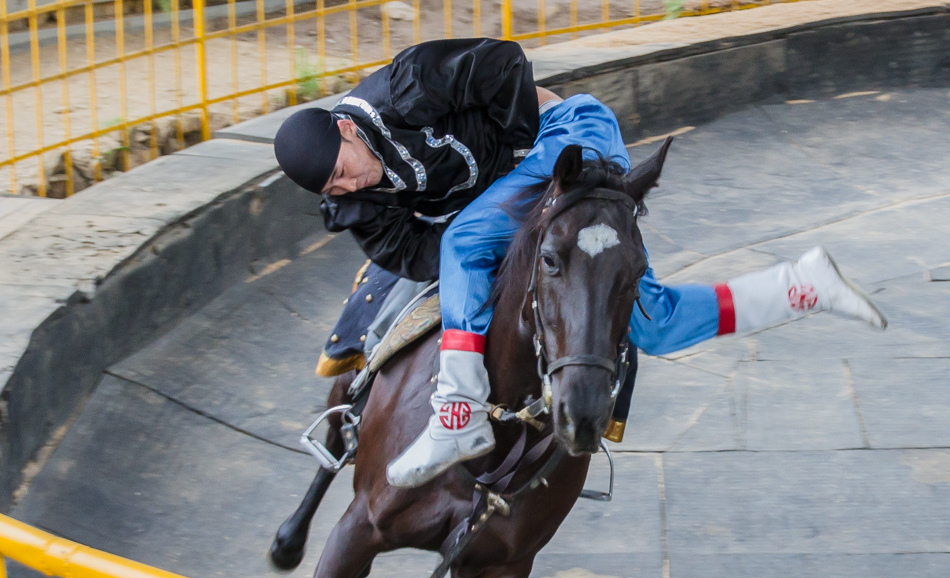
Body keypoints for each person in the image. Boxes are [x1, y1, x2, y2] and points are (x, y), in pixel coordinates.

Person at [274, 38, 886, 489]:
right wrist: (499, 254)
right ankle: (802, 287)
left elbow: (504, 64)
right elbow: (406, 252)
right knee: (655, 324)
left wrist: (519, 160)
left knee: (465, 240)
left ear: (345, 129)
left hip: (566, 135)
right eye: (333, 189)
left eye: (342, 169)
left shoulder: (405, 87)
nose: (347, 186)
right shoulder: (349, 202)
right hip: (514, 191)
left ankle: (457, 413)